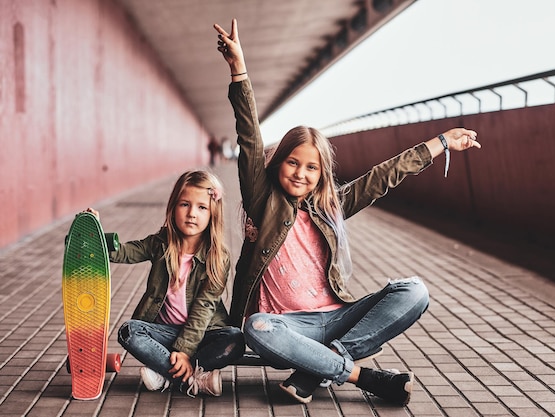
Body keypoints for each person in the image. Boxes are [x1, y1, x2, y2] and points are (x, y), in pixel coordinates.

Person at [214, 19, 481, 406]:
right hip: (287, 326)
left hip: (335, 317)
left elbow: (381, 177)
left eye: (311, 168)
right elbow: (249, 137)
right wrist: (239, 70)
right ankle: (362, 375)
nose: (300, 174)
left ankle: (316, 369)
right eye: (292, 163)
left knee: (414, 291)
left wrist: (439, 143)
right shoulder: (262, 199)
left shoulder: (330, 206)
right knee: (257, 327)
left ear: (322, 173)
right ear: (278, 164)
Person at [87, 170, 245, 397]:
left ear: (213, 213)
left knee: (234, 339)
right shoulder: (159, 243)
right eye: (184, 205)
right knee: (129, 331)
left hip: (201, 334)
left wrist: (184, 350)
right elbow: (124, 252)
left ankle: (167, 373)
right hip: (164, 335)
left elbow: (204, 307)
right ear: (173, 207)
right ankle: (194, 380)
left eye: (202, 207)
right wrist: (94, 233)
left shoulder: (218, 257)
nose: (192, 214)